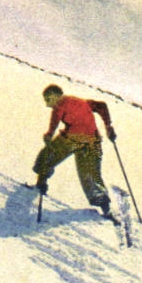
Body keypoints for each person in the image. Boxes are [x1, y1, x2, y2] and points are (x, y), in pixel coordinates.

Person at [31, 83, 115, 219]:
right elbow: (102, 106)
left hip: (73, 138)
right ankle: (106, 209)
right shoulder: (82, 102)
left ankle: (41, 184)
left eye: (48, 99)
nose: (47, 104)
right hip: (93, 141)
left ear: (57, 96)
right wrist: (108, 126)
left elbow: (55, 120)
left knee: (47, 155)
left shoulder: (59, 106)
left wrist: (49, 135)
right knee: (91, 174)